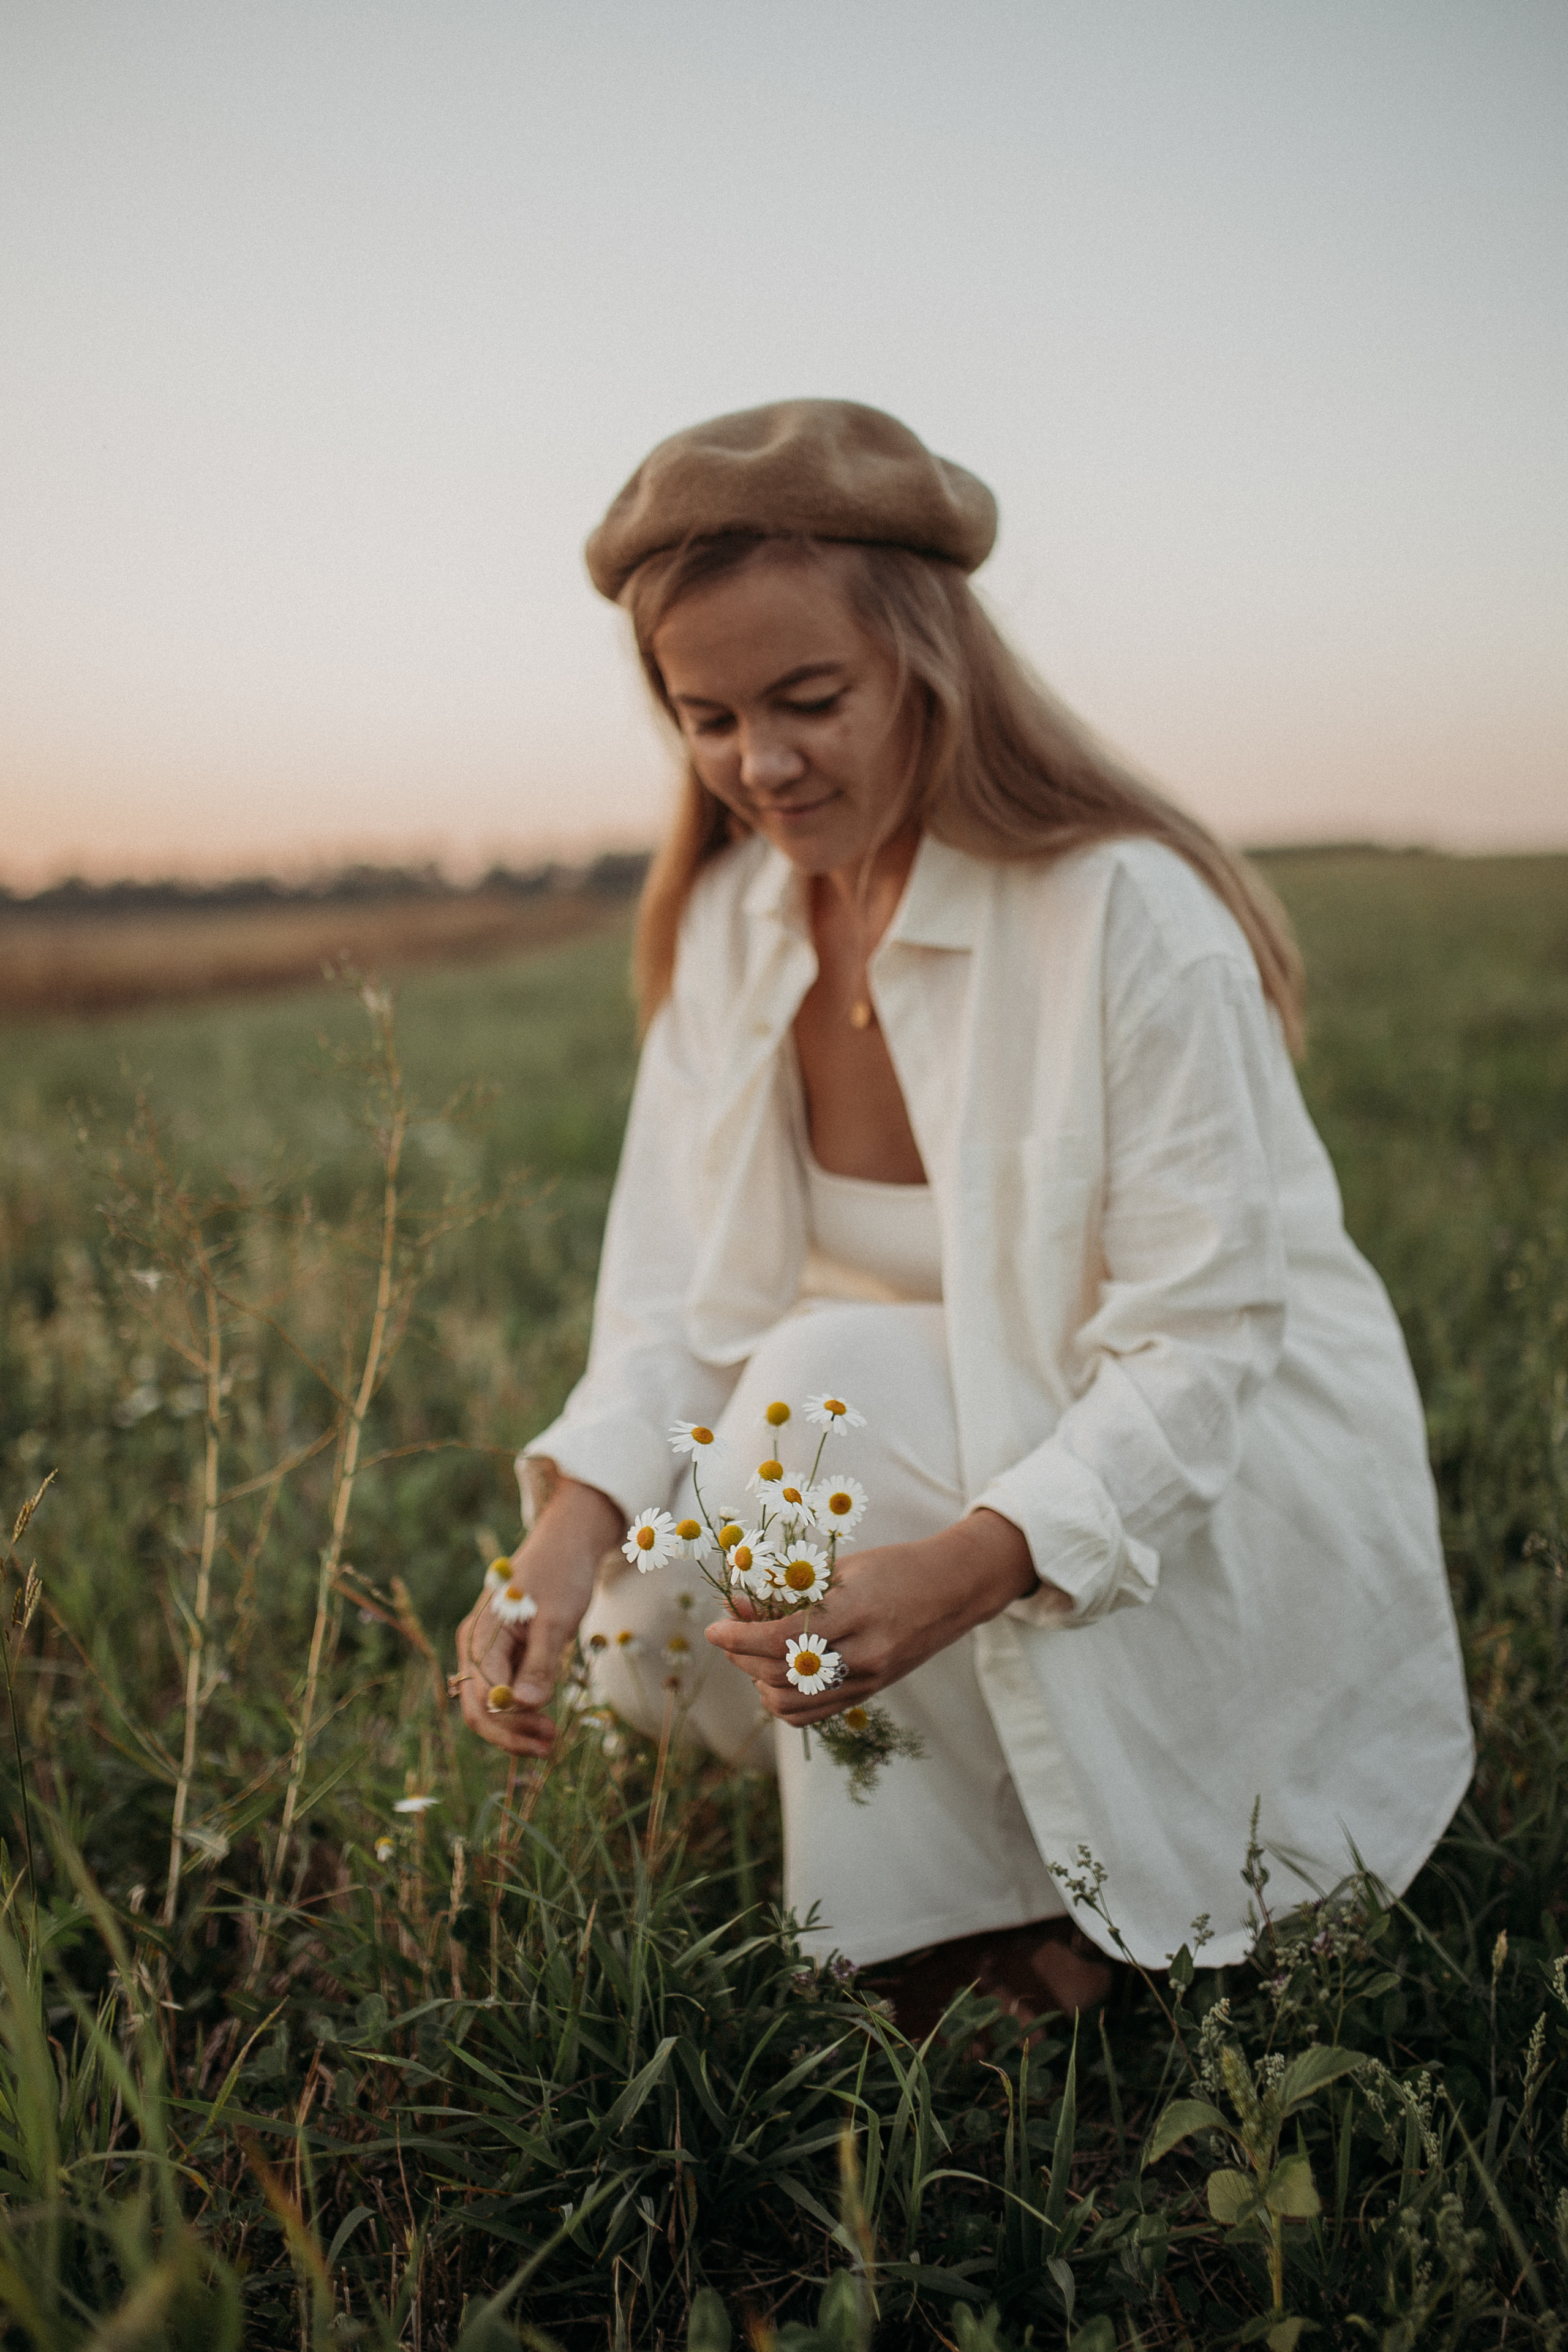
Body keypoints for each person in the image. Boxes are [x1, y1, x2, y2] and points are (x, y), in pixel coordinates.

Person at [455, 399, 1473, 2024]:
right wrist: (561, 1546)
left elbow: (1204, 1345)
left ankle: (975, 1940)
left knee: (811, 1408)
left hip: (1202, 1459)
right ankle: (945, 1812)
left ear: (933, 663)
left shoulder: (1123, 912)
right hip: (914, 1420)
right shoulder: (730, 926)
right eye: (705, 718)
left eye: (809, 700)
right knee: (661, 1596)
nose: (758, 764)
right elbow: (669, 1303)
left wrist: (982, 1563)